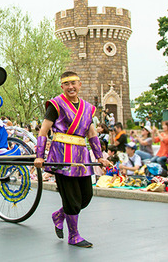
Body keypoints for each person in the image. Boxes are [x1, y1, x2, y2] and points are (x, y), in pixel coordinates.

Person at [34, 71, 111, 248]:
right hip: (61, 155)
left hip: (82, 156)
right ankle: (73, 236)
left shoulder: (87, 108)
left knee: (86, 196)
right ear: (62, 87)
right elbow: (44, 130)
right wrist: (39, 155)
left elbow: (92, 134)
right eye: (67, 84)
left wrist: (100, 156)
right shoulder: (56, 104)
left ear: (80, 85)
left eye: (74, 83)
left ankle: (59, 215)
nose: (71, 87)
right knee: (72, 198)